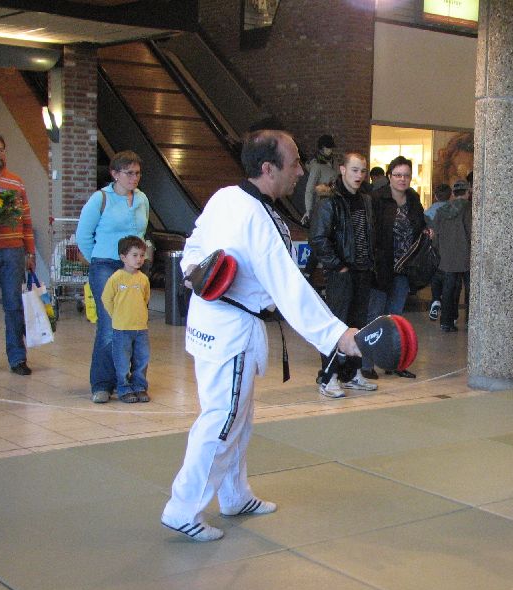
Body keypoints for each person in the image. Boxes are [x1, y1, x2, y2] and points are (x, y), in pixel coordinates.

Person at [161, 130, 361, 542]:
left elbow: (192, 245)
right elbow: (289, 287)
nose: (301, 172)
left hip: (221, 321)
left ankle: (234, 496)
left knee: (237, 417)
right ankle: (183, 508)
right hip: (228, 328)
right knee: (222, 420)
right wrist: (338, 336)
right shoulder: (252, 215)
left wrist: (193, 271)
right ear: (268, 169)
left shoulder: (226, 198)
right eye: (294, 163)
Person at [76, 150, 150, 403]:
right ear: (115, 174)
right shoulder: (100, 199)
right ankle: (102, 383)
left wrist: (137, 259)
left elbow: (141, 232)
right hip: (106, 265)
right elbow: (83, 235)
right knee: (109, 326)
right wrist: (97, 259)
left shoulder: (141, 199)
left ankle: (129, 381)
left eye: (137, 173)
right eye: (129, 173)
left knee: (134, 325)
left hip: (133, 267)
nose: (134, 178)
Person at [309, 151, 378, 398]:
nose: (359, 175)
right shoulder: (329, 199)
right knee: (336, 325)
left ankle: (352, 373)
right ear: (343, 170)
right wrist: (338, 266)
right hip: (341, 273)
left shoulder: (365, 200)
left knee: (358, 324)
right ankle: (329, 377)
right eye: (354, 170)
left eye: (363, 171)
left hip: (362, 271)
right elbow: (318, 237)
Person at [366, 155, 428, 379]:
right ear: (389, 176)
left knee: (396, 317)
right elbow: (371, 231)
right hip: (381, 267)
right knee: (375, 316)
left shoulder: (413, 199)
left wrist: (426, 232)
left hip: (405, 268)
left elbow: (419, 225)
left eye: (406, 175)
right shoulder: (377, 199)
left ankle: (393, 362)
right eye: (398, 175)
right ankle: (366, 364)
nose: (402, 179)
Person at [0, 133, 35, 375]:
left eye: (1, 150)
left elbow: (26, 219)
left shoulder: (16, 182)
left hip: (13, 251)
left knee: (14, 306)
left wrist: (30, 252)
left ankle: (17, 358)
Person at [101, 235, 151, 403]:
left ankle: (139, 387)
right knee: (122, 361)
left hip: (141, 328)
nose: (139, 259)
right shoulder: (116, 278)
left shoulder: (143, 279)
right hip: (122, 328)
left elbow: (146, 298)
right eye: (134, 255)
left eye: (142, 255)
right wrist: (116, 315)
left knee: (141, 359)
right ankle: (123, 388)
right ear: (123, 257)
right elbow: (106, 299)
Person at [432, 179, 472, 332]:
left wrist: (440, 251)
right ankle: (470, 322)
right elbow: (471, 232)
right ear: (467, 193)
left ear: (453, 194)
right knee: (470, 290)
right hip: (467, 256)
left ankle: (446, 322)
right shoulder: (469, 209)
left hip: (447, 256)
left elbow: (435, 235)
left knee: (448, 289)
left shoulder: (442, 210)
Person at [424, 183, 452, 321]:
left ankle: (436, 299)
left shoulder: (428, 212)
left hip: (434, 248)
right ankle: (448, 309)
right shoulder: (452, 210)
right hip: (450, 248)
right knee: (450, 277)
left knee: (435, 274)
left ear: (435, 196)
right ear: (450, 196)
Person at [303, 134, 338, 221]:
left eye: (331, 148)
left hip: (334, 201)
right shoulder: (316, 165)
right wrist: (308, 210)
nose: (330, 150)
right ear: (321, 148)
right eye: (327, 148)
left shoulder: (333, 161)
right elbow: (309, 190)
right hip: (322, 204)